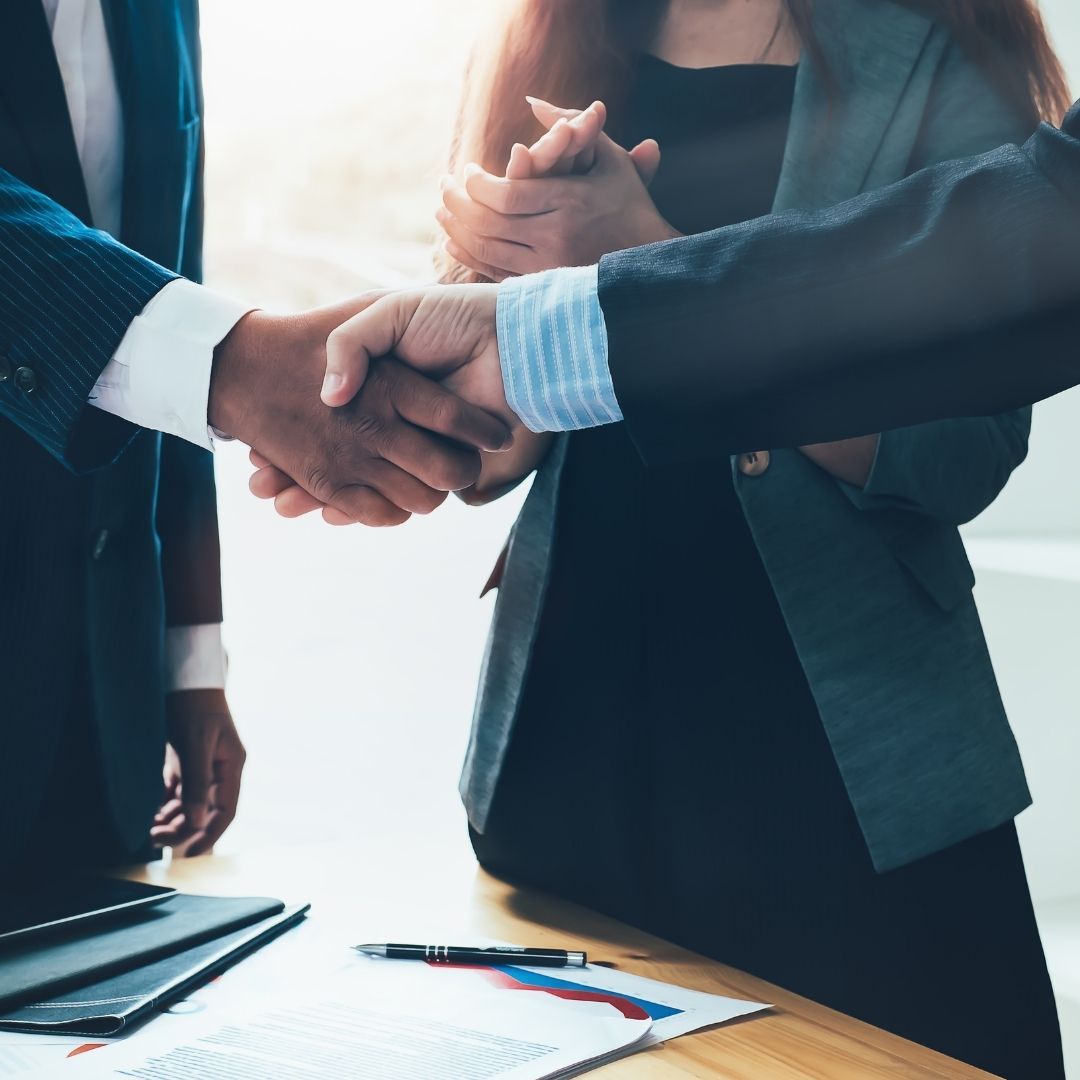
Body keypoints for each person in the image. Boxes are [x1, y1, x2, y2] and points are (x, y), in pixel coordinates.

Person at [260, 3, 1073, 1075]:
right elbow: (508, 420)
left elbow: (959, 457)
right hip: (573, 746)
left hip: (844, 776)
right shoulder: (537, 36)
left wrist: (638, 257)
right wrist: (389, 417)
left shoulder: (933, 45)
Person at [0, 0, 511, 869]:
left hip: (99, 698)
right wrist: (238, 366)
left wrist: (190, 654)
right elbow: (191, 349)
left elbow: (162, 295)